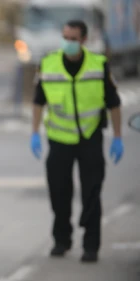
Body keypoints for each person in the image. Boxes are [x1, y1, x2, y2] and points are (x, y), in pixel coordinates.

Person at [31, 20, 123, 263]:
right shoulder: (48, 64)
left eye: (73, 38)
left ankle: (90, 246)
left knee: (92, 191)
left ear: (83, 40)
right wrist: (34, 133)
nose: (67, 43)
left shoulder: (98, 65)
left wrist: (118, 137)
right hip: (59, 139)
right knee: (59, 193)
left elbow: (113, 103)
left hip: (90, 137)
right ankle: (62, 240)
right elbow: (38, 100)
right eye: (65, 37)